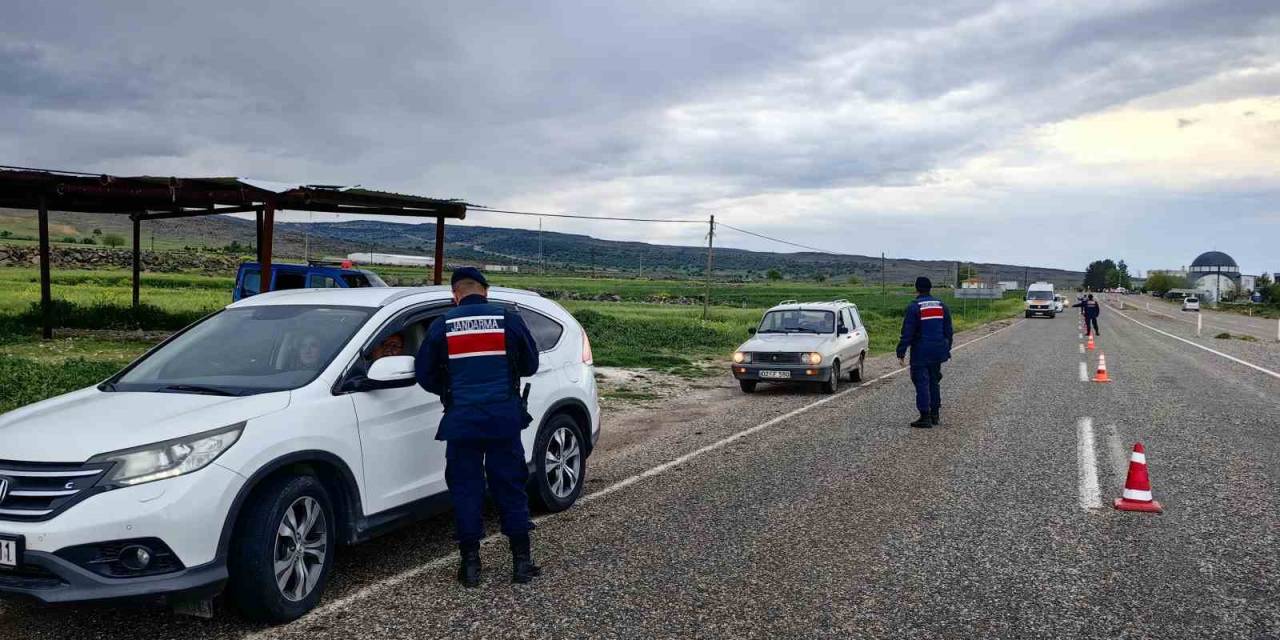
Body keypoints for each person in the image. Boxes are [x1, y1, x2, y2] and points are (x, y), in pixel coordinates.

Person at [415, 267, 541, 587]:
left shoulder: (442, 325)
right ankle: (521, 564)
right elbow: (530, 364)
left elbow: (425, 375)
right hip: (503, 420)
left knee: (466, 490)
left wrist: (449, 389)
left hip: (462, 422)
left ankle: (470, 567)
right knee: (510, 487)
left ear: (455, 294)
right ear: (485, 290)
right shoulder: (507, 319)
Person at [896, 277, 954, 429]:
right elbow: (948, 331)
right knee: (934, 381)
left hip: (921, 351)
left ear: (916, 289)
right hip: (938, 351)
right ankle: (935, 414)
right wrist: (947, 348)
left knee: (922, 382)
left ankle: (925, 416)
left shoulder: (914, 307)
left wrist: (901, 351)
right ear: (930, 288)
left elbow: (907, 332)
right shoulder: (942, 306)